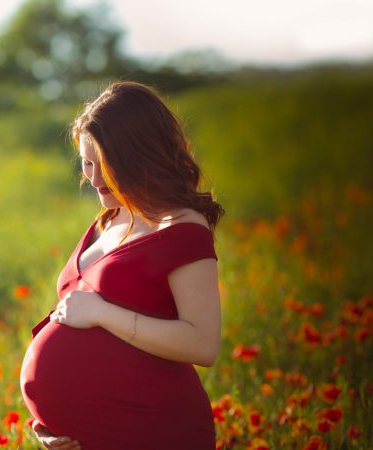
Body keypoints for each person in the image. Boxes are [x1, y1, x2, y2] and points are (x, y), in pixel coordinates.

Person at [20, 81, 225, 450]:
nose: (94, 179)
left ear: (139, 157)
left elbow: (203, 343)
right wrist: (49, 423)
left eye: (105, 164)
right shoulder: (108, 221)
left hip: (153, 430)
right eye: (86, 162)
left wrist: (102, 312)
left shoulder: (183, 229)